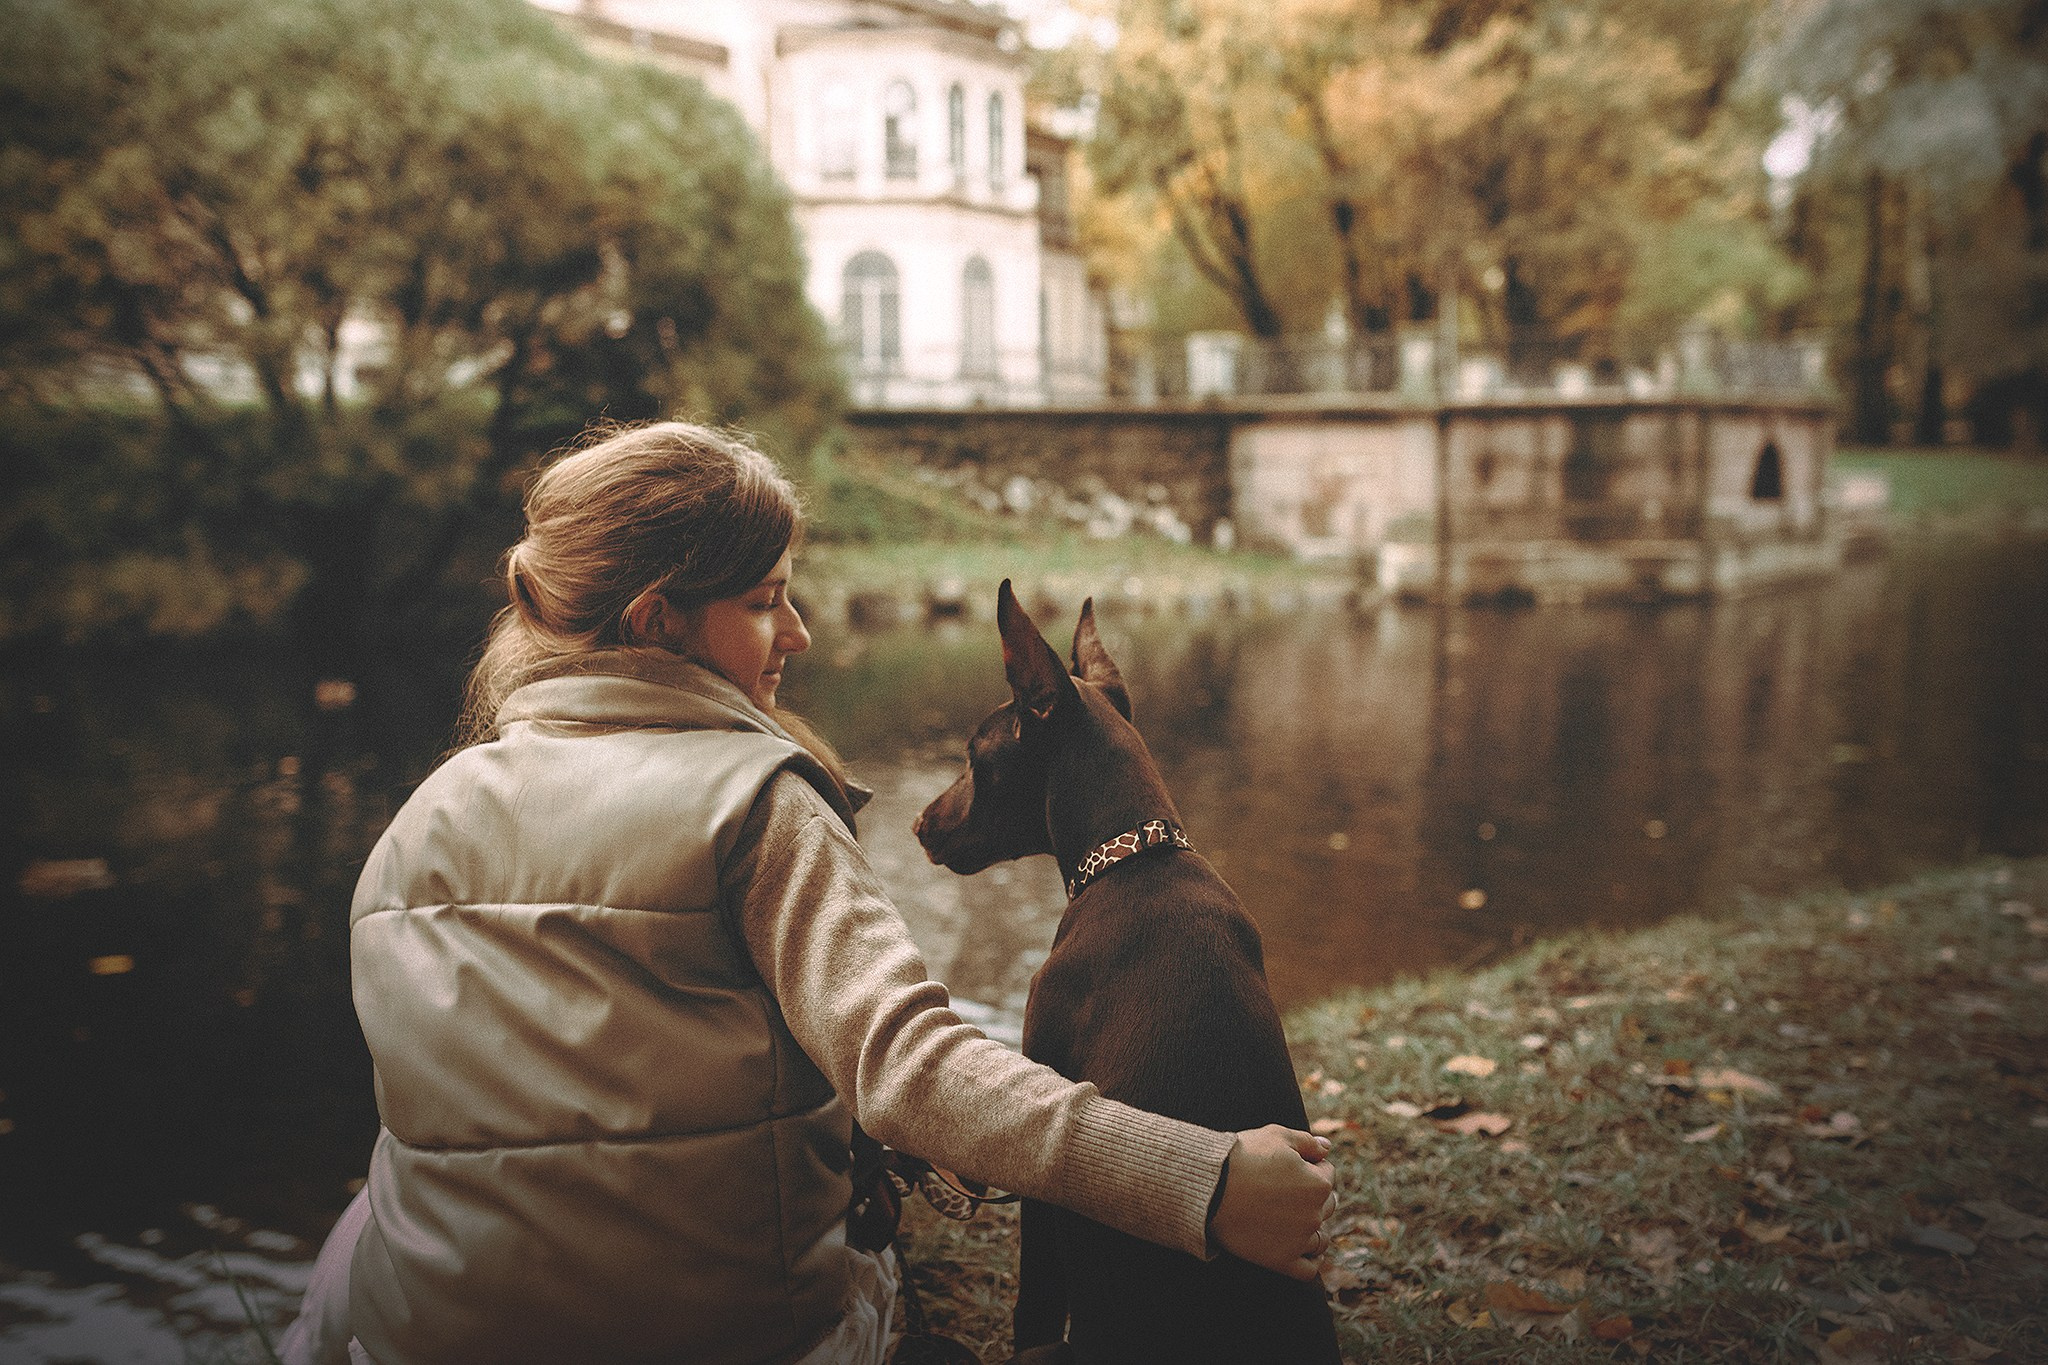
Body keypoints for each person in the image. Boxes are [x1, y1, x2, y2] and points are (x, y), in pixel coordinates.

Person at [279, 421, 1337, 1365]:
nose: (799, 633)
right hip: (735, 1338)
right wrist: (1200, 1180)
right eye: (765, 601)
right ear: (657, 622)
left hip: (426, 1335)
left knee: (370, 1212)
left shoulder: (417, 819)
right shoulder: (753, 802)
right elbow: (908, 1069)